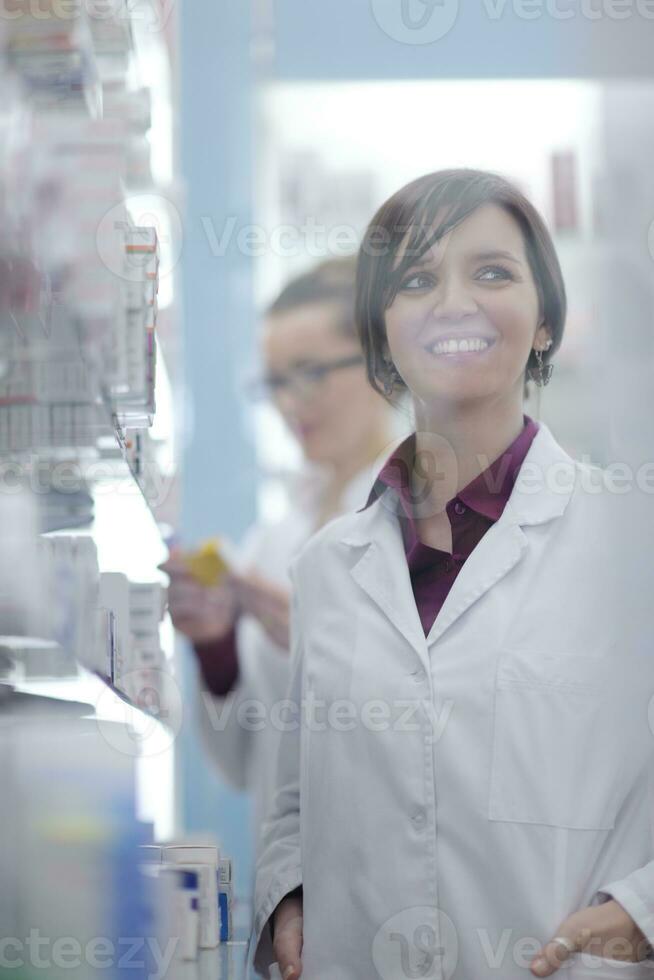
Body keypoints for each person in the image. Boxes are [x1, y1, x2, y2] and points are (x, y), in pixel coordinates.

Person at [252, 169, 654, 979]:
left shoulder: (632, 543)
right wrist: (287, 892)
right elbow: (294, 797)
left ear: (544, 323)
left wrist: (641, 914)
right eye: (417, 279)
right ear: (382, 333)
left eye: (493, 272)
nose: (454, 301)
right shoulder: (330, 567)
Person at [162, 257, 396, 861]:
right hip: (292, 900)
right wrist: (214, 648)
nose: (292, 402)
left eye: (311, 373)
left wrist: (325, 648)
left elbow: (444, 744)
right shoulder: (276, 538)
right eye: (274, 381)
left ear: (383, 362)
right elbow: (242, 763)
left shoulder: (428, 524)